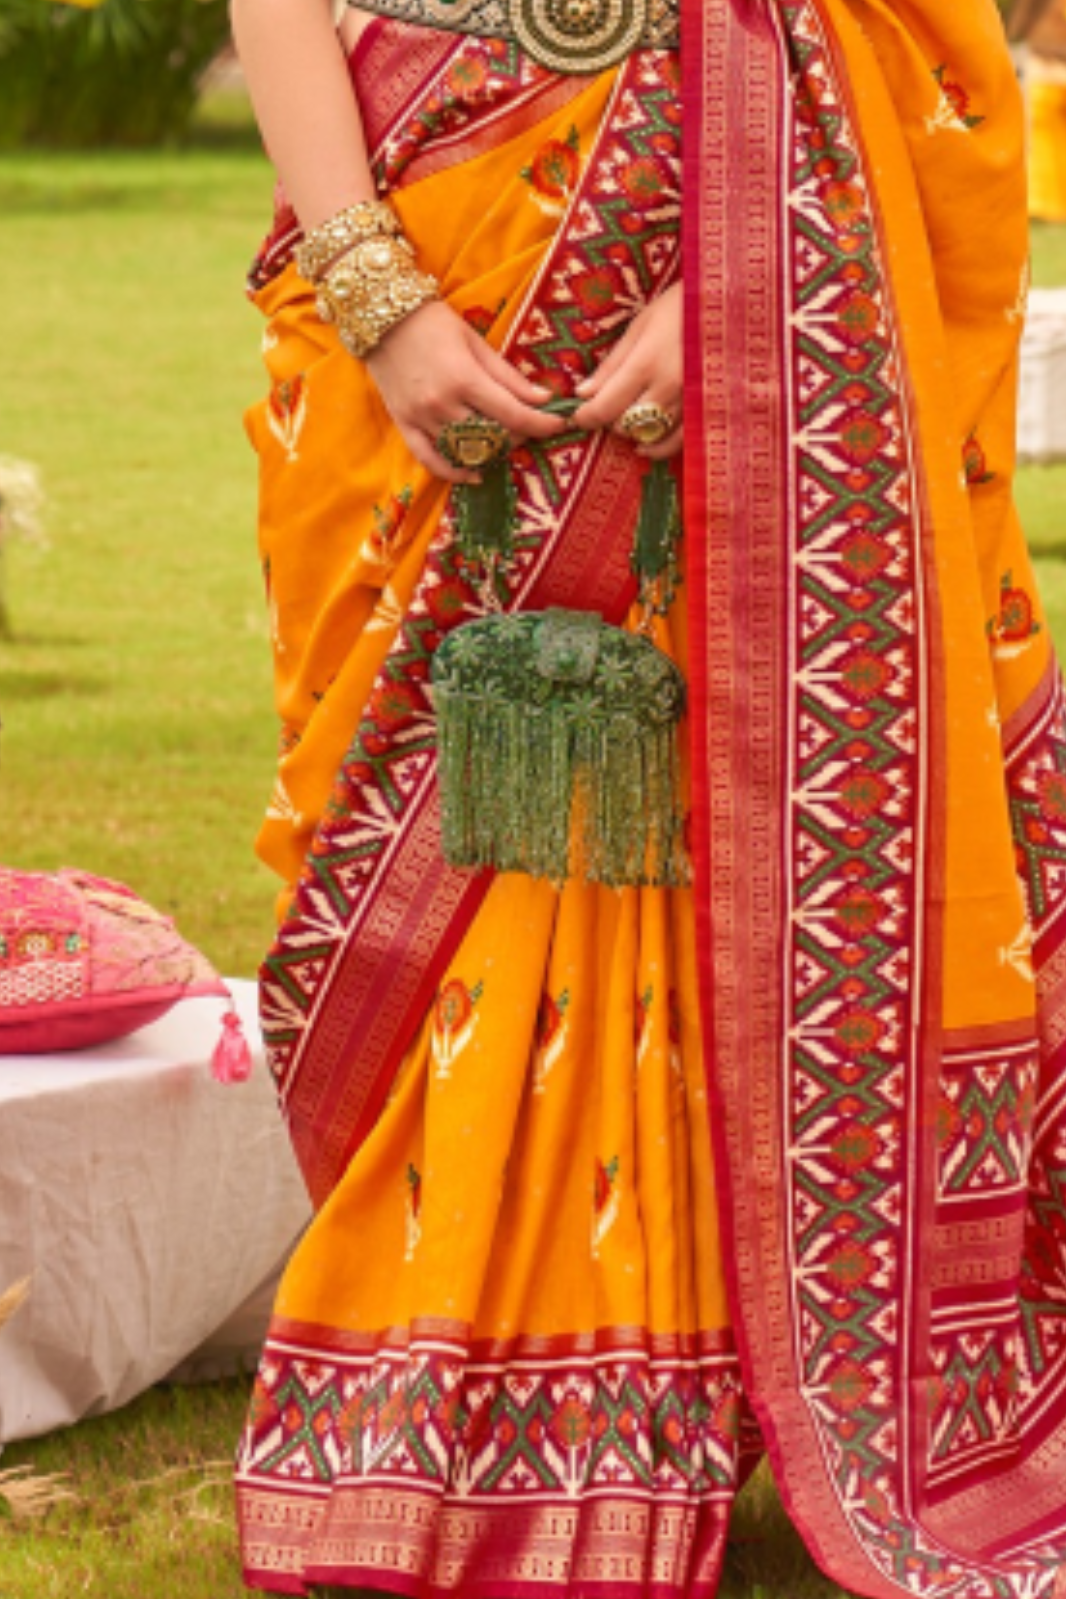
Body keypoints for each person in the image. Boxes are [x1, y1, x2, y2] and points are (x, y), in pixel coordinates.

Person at [230, 0, 1066, 1595]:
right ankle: (438, 1397)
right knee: (415, 827)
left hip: (735, 217)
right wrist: (375, 289)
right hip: (413, 197)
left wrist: (753, 293)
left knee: (706, 835)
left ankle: (640, 1404)